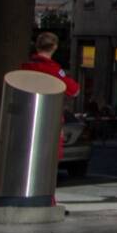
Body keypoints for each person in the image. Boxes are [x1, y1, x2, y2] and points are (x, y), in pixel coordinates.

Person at [20, 32, 79, 197]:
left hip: (26, 118)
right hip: (50, 120)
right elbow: (74, 90)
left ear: (37, 46)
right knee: (50, 161)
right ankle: (46, 197)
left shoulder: (25, 67)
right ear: (54, 47)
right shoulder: (55, 70)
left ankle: (25, 193)